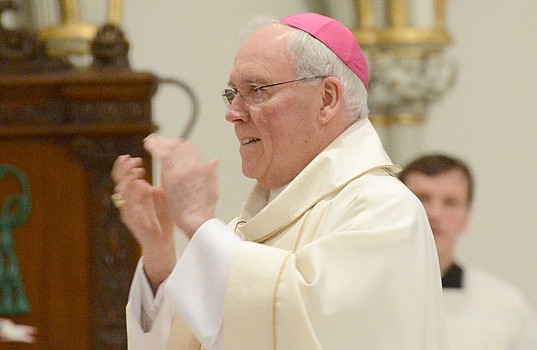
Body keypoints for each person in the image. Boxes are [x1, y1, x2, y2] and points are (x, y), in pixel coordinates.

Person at [112, 12, 446, 349]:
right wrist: (159, 255)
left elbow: (308, 327)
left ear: (327, 99)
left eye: (256, 90)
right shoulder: (246, 230)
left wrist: (198, 223)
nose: (233, 113)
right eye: (233, 94)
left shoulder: (382, 210)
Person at [400, 153, 537, 350]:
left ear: (466, 217)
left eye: (450, 202)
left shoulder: (509, 310)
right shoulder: (362, 298)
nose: (434, 214)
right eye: (422, 198)